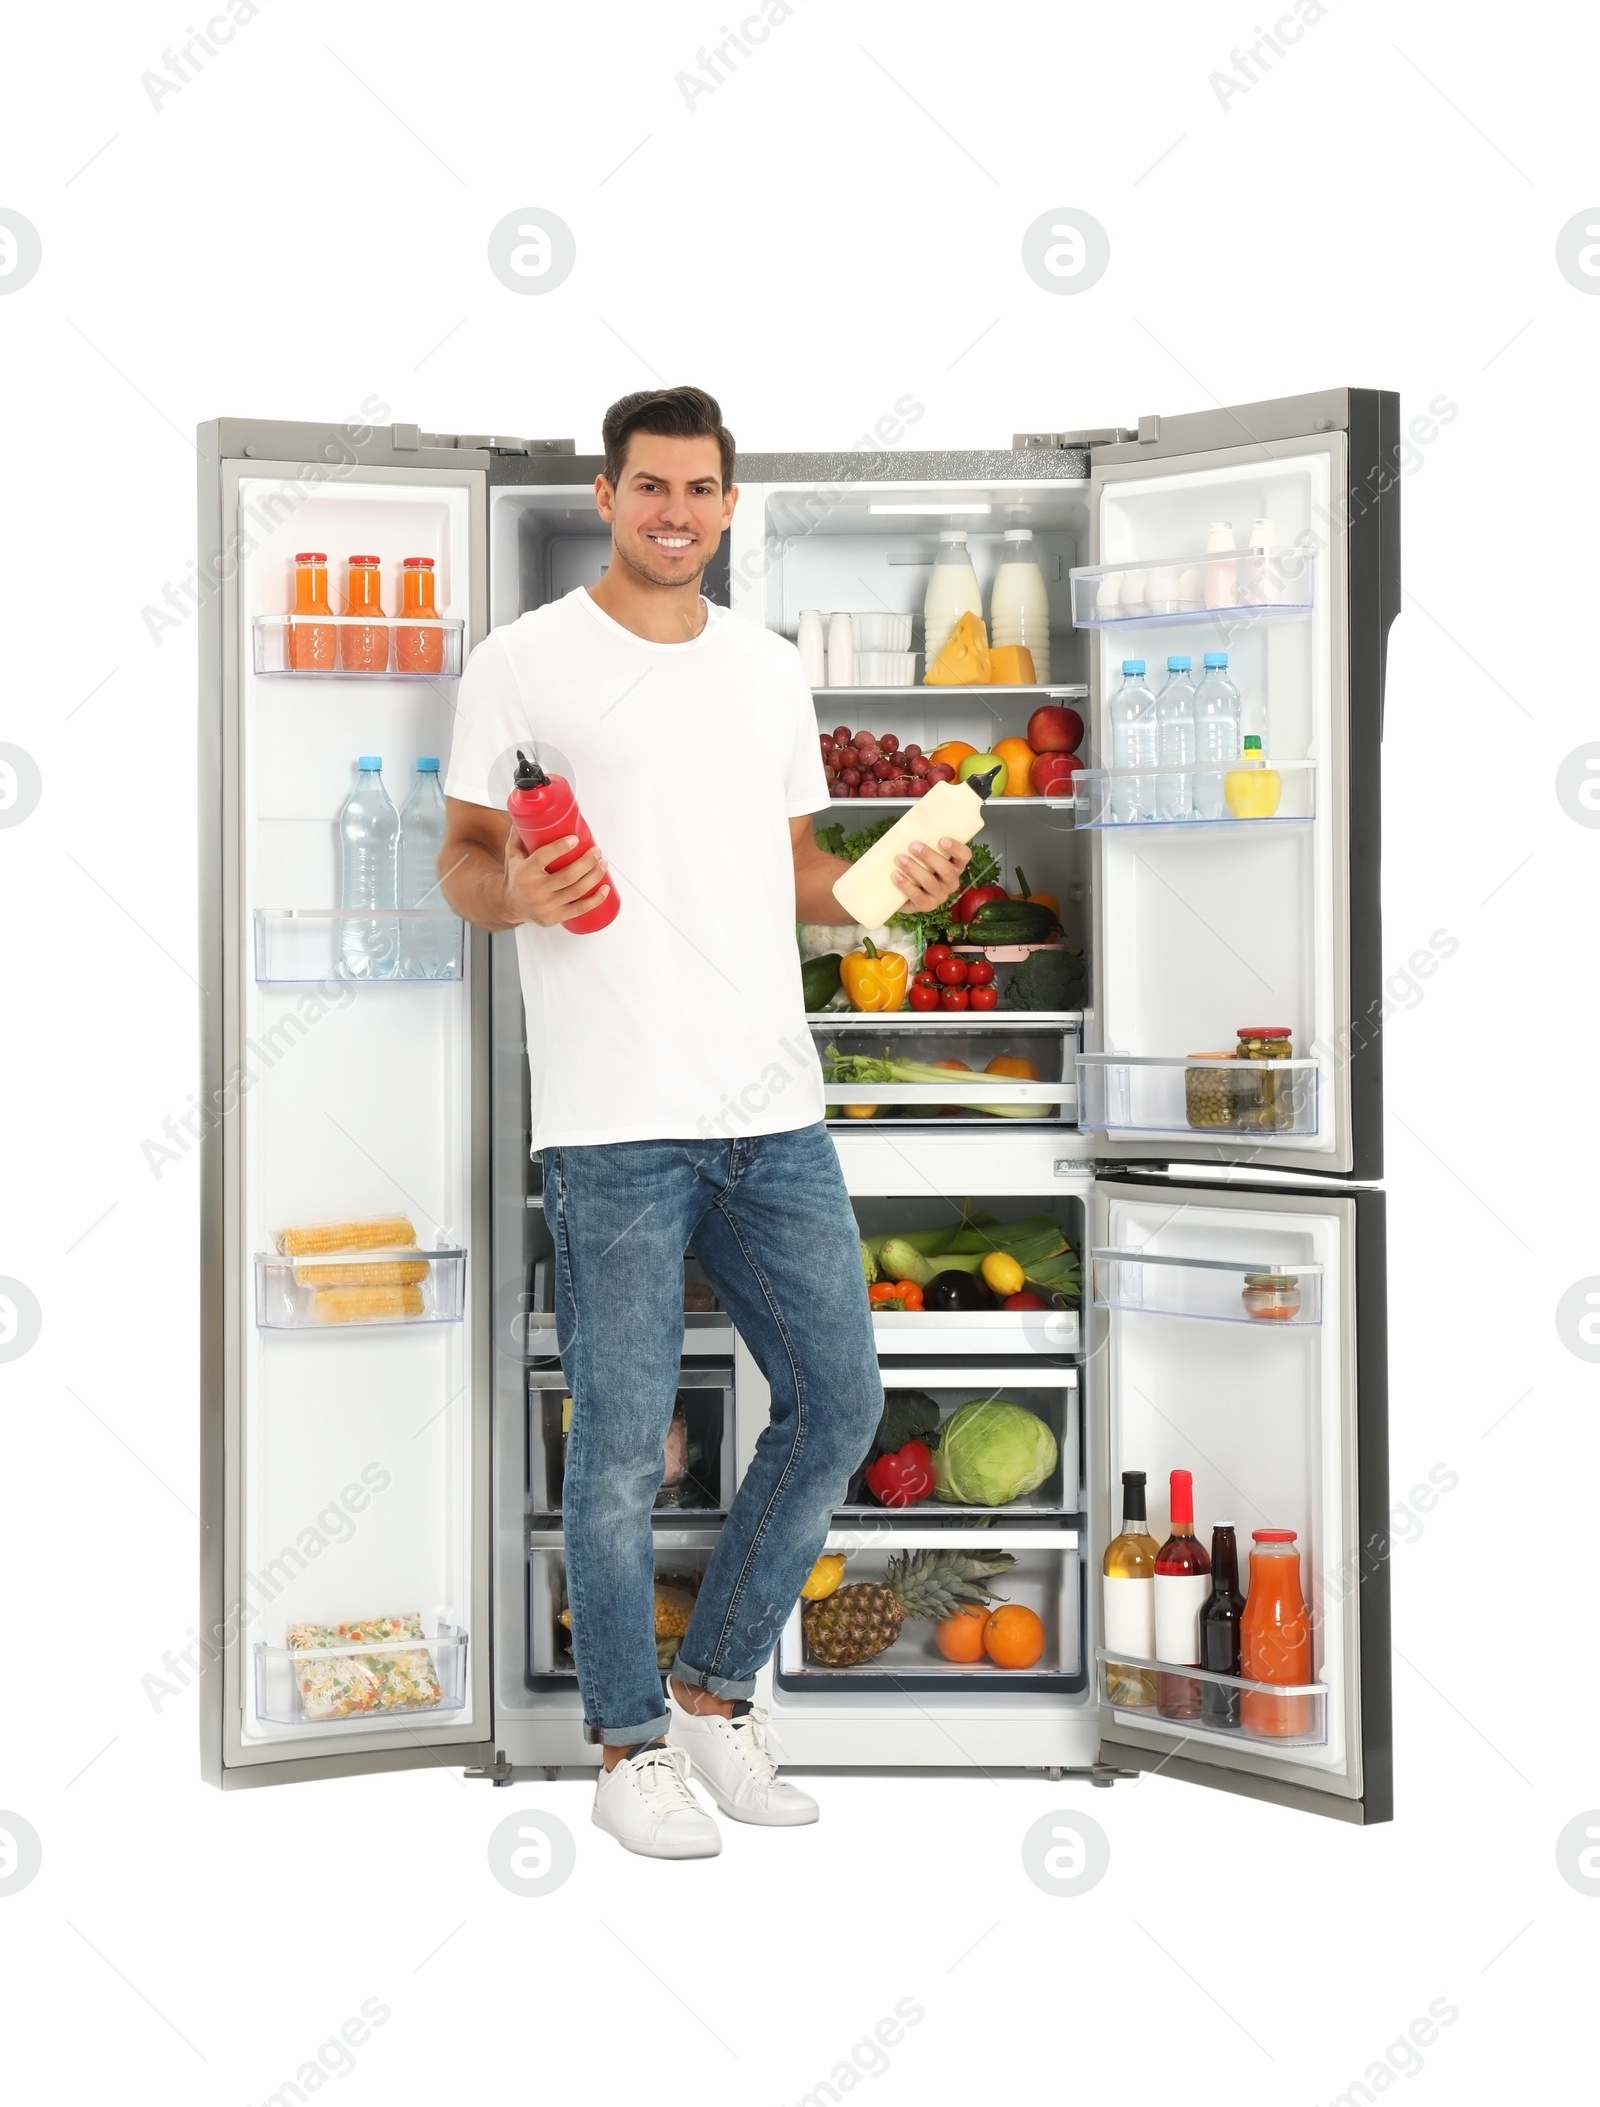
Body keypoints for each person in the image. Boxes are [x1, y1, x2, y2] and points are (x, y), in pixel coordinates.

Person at [438, 385, 971, 1858]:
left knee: (837, 1404)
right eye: (650, 486)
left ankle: (713, 1698)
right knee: (615, 1446)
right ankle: (626, 1751)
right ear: (607, 497)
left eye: (701, 490)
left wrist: (889, 887)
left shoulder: (764, 668)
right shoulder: (522, 665)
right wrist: (518, 894)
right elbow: (467, 863)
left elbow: (791, 872)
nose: (675, 512)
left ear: (730, 508)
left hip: (770, 1108)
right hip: (612, 1117)